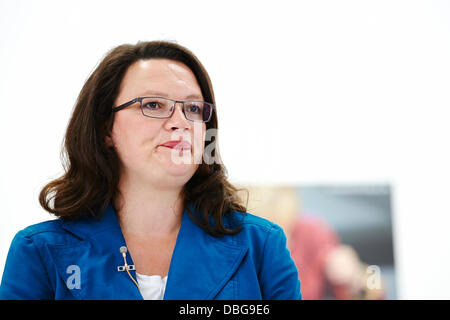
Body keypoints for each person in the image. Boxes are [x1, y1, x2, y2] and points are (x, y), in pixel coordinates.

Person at [0, 41, 302, 300]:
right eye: (154, 104)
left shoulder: (261, 246)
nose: (180, 122)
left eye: (194, 109)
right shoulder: (37, 252)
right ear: (105, 128)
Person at [243, 185, 384, 300]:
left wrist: (356, 276)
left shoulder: (312, 232)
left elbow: (377, 286)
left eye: (287, 229)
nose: (283, 241)